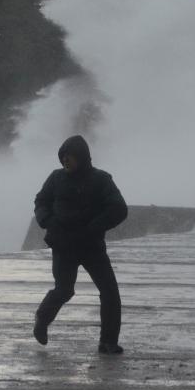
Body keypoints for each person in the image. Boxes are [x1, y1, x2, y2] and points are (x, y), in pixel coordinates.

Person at [32, 135, 127, 352]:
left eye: (70, 157)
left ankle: (108, 342)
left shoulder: (101, 179)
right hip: (64, 246)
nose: (66, 161)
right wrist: (47, 221)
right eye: (63, 157)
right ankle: (42, 319)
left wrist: (94, 227)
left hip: (91, 246)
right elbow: (41, 201)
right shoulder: (56, 178)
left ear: (82, 158)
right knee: (64, 290)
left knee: (110, 291)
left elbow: (119, 209)